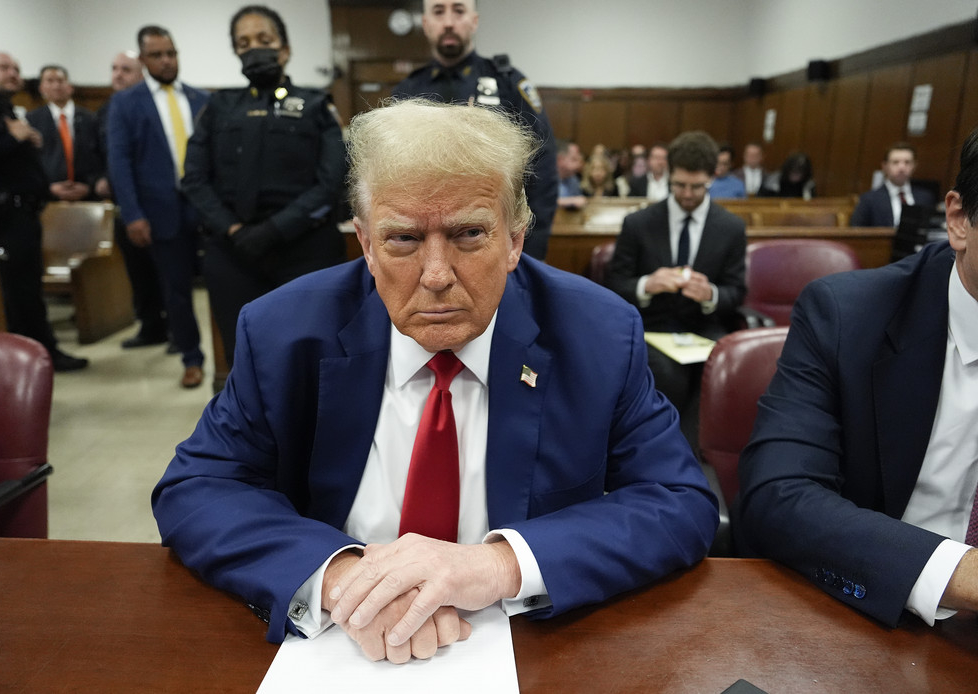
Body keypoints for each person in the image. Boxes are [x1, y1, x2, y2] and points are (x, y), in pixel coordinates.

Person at [152, 99, 718, 664]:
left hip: (533, 650)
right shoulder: (283, 331)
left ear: (515, 240)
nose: (437, 276)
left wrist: (497, 565)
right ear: (366, 244)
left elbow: (679, 500)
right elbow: (197, 487)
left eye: (469, 233)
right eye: (403, 239)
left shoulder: (596, 333)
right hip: (341, 649)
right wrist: (347, 580)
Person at [737, 127, 978, 629]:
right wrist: (956, 573)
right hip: (887, 607)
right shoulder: (846, 315)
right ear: (959, 220)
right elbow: (781, 494)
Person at [183, 5, 346, 366]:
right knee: (246, 362)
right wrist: (234, 229)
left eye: (264, 39)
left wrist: (275, 229)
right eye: (243, 43)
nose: (254, 49)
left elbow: (332, 179)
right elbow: (194, 178)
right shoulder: (218, 106)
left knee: (313, 359)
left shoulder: (316, 104)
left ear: (284, 49)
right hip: (233, 252)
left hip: (305, 250)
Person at [0, 52, 87, 371]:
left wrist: (26, 144)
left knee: (27, 290)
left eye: (16, 69)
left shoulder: (5, 109)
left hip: (24, 212)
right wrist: (14, 137)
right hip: (3, 215)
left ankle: (39, 353)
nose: (13, 73)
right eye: (4, 68)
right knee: (17, 293)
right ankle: (34, 357)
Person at [606, 131, 746, 442]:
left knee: (721, 368)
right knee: (668, 374)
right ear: (669, 175)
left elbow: (737, 291)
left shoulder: (731, 227)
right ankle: (664, 448)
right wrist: (647, 284)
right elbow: (614, 285)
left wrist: (711, 294)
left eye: (697, 186)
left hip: (704, 327)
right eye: (679, 185)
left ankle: (697, 453)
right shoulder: (638, 223)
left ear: (712, 177)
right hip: (651, 326)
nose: (687, 194)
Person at [392, 0, 557, 261]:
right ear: (426, 24)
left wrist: (529, 251)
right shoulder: (407, 92)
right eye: (438, 12)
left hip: (494, 241)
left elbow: (542, 165)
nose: (449, 22)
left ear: (474, 21)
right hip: (421, 245)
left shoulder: (507, 83)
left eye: (458, 11)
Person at [107, 26, 209, 388]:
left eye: (171, 53)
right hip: (161, 211)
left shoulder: (200, 99)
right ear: (143, 59)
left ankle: (232, 357)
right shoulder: (126, 103)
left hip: (206, 208)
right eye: (157, 55)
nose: (166, 61)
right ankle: (191, 358)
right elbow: (120, 163)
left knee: (223, 284)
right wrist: (133, 214)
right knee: (176, 291)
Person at [97, 51, 170, 350]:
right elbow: (99, 154)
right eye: (114, 68)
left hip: (158, 202)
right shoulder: (106, 110)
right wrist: (98, 179)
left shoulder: (157, 105)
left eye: (126, 69)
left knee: (168, 272)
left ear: (141, 74)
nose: (117, 74)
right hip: (123, 205)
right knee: (138, 272)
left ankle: (176, 329)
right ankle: (150, 325)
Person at [26, 65, 103, 203]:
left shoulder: (91, 119)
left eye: (60, 81)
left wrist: (90, 186)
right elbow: (29, 163)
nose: (56, 86)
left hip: (87, 198)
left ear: (70, 87)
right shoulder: (31, 121)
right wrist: (48, 188)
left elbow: (100, 156)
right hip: (46, 199)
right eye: (50, 81)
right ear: (41, 88)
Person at [851, 142, 936, 227]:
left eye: (907, 162)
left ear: (914, 166)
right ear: (885, 166)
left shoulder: (925, 197)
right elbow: (856, 230)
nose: (902, 167)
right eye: (895, 162)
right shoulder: (869, 199)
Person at [555, 139, 586, 209]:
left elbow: (579, 200)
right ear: (560, 159)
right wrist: (569, 201)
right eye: (574, 159)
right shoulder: (544, 178)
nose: (579, 164)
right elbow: (542, 202)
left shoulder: (573, 180)